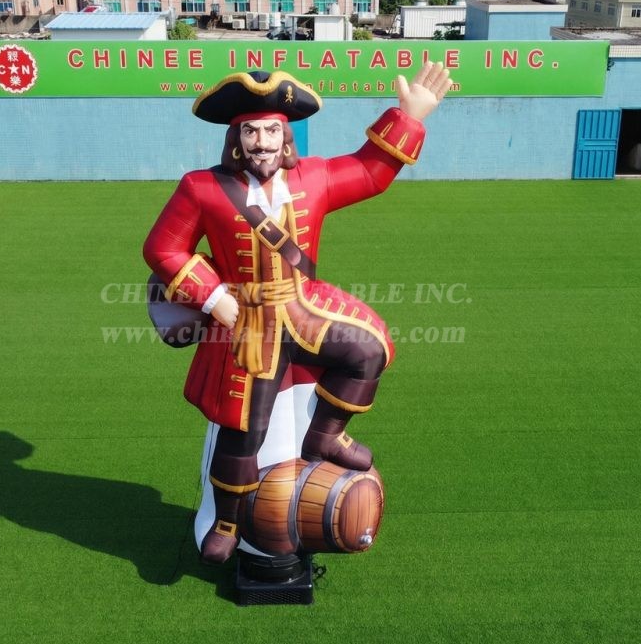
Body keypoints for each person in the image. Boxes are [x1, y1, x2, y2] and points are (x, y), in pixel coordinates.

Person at [144, 62, 451, 563]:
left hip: (303, 305)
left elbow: (371, 171)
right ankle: (227, 521)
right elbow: (163, 248)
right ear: (236, 139)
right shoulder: (200, 187)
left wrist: (410, 116)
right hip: (247, 320)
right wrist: (215, 298)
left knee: (368, 350)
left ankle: (326, 436)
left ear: (285, 136)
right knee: (244, 428)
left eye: (271, 131)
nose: (262, 142)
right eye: (251, 131)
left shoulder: (315, 177)